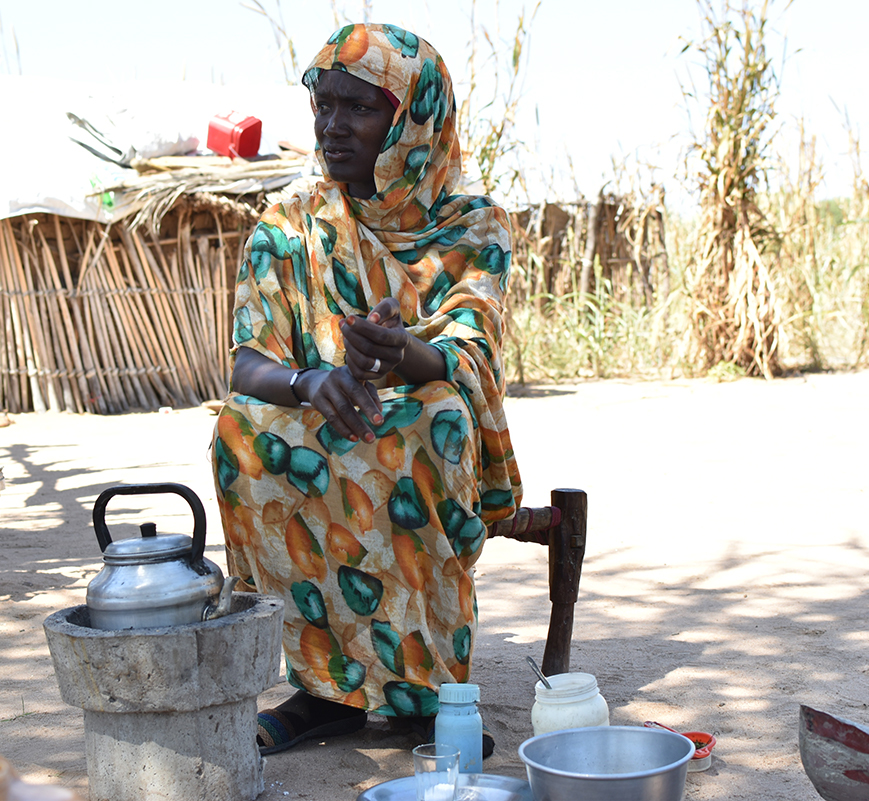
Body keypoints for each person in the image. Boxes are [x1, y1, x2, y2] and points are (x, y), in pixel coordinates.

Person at [210, 23, 522, 756]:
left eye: (360, 108)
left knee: (434, 419)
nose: (332, 125)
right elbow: (247, 364)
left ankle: (430, 694)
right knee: (239, 430)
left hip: (415, 412)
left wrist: (400, 351)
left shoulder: (474, 226)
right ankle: (326, 688)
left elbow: (469, 351)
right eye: (324, 104)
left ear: (414, 119)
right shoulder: (290, 226)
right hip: (317, 412)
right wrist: (309, 378)